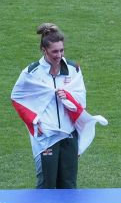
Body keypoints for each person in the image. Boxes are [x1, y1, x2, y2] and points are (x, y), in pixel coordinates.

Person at [11, 23, 87, 189]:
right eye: (54, 51)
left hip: (69, 135)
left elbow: (81, 100)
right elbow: (17, 98)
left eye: (61, 50)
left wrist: (68, 97)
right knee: (47, 185)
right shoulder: (31, 73)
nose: (59, 55)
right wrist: (36, 121)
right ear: (44, 50)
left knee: (69, 186)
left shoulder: (73, 69)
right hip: (47, 138)